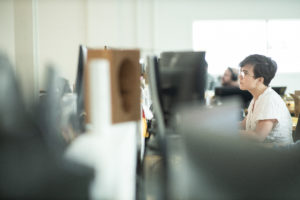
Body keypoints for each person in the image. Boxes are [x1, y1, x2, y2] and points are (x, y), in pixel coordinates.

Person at [239, 54, 293, 145]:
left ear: (260, 80)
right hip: (263, 153)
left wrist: (228, 132)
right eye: (241, 72)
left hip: (278, 156)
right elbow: (244, 125)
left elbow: (258, 136)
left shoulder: (269, 100)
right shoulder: (257, 98)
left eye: (245, 73)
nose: (240, 76)